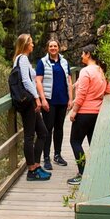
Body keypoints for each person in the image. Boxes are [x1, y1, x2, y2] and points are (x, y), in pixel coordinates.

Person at [67, 44, 110, 185]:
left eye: (82, 54)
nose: (81, 56)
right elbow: (108, 90)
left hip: (84, 112)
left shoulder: (85, 72)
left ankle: (82, 173)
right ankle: (97, 173)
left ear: (88, 54)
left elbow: (82, 94)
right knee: (93, 143)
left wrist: (74, 111)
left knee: (75, 141)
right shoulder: (101, 70)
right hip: (97, 112)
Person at [13, 33, 51, 181]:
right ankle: (32, 170)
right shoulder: (22, 59)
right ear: (26, 45)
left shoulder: (24, 60)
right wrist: (37, 98)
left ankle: (35, 165)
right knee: (29, 136)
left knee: (42, 132)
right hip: (28, 102)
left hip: (30, 101)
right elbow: (26, 81)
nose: (33, 45)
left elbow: (32, 78)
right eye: (31, 43)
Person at [35, 39, 73, 170]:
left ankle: (57, 155)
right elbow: (38, 81)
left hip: (62, 100)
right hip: (49, 102)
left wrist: (70, 99)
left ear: (59, 48)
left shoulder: (64, 62)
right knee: (47, 129)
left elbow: (69, 80)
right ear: (47, 48)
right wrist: (43, 99)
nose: (53, 48)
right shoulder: (42, 62)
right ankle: (46, 157)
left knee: (59, 128)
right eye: (50, 46)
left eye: (55, 46)